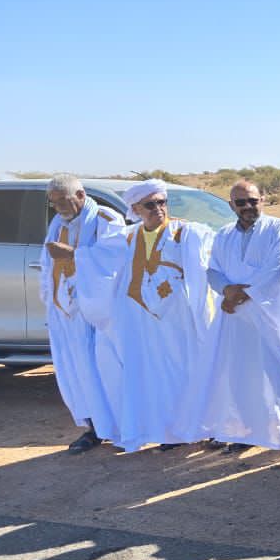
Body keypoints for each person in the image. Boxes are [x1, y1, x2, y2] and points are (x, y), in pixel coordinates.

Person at [194, 180, 280, 455]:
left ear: (263, 199)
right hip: (236, 318)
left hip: (273, 316)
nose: (248, 206)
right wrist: (226, 290)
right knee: (244, 376)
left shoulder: (279, 229)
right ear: (231, 205)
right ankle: (250, 432)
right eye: (241, 202)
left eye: (253, 200)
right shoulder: (224, 235)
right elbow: (212, 270)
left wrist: (242, 295)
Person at [95, 178, 214, 452]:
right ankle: (171, 432)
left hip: (179, 320)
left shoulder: (186, 232)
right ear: (136, 209)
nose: (158, 209)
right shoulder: (128, 237)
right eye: (150, 205)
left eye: (162, 202)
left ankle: (201, 427)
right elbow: (101, 262)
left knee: (188, 372)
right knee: (156, 377)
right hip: (144, 323)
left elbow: (205, 260)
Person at [39, 174, 125, 453]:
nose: (59, 208)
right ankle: (93, 428)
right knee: (76, 373)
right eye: (53, 203)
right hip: (65, 313)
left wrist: (73, 254)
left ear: (80, 195)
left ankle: (119, 427)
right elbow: (48, 264)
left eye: (63, 201)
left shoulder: (105, 219)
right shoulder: (58, 223)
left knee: (104, 371)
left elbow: (115, 259)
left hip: (96, 314)